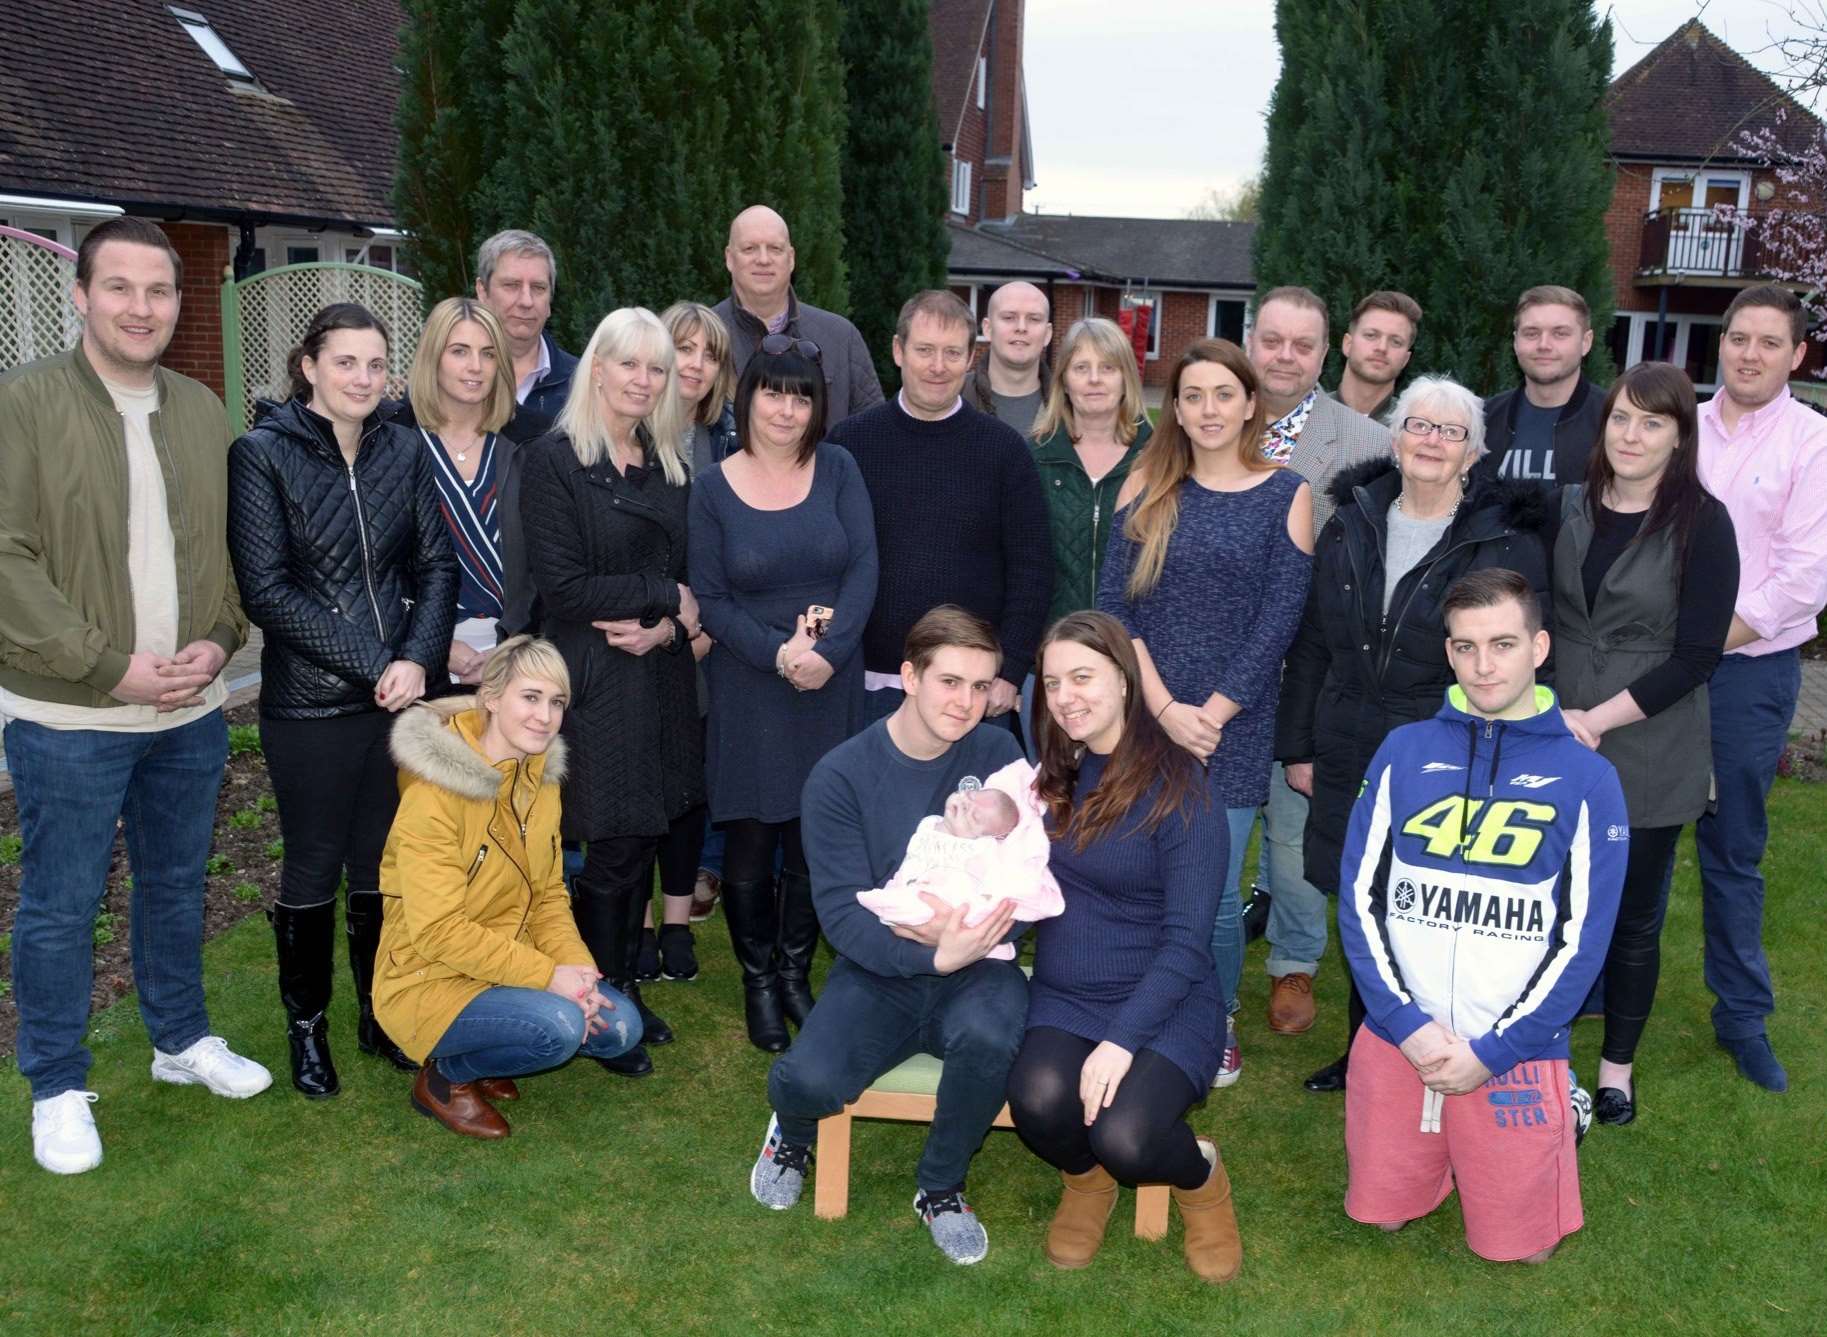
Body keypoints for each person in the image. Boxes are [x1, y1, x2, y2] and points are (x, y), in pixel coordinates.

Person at [1, 216, 269, 1175]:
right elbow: (7, 558)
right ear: (81, 294)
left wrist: (217, 640)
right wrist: (103, 664)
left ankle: (179, 1040)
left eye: (159, 291)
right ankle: (57, 1085)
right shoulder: (23, 404)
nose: (141, 306)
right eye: (120, 287)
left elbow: (233, 557)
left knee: (171, 886)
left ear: (178, 303)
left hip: (190, 711)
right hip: (72, 715)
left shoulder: (202, 409)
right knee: (62, 907)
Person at [1338, 568, 1626, 1264]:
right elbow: (1357, 898)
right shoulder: (1402, 750)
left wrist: (1497, 1047)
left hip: (1516, 1040)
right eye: (1464, 647)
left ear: (1538, 647)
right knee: (1380, 1213)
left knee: (1518, 1248)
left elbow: (1583, 939)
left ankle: (1559, 1106)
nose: (1482, 664)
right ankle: (1423, 1154)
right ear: (1447, 653)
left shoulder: (1588, 777)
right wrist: (1403, 1022)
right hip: (1399, 1030)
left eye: (1501, 643)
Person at [1275, 377, 1552, 1094]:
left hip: (1445, 743)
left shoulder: (1500, 539)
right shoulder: (1350, 519)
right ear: (1394, 438)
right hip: (1347, 737)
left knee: (1428, 904)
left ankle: (1452, 1046)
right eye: (1417, 426)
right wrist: (1297, 744)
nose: (1430, 441)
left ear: (1473, 452)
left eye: (1449, 432)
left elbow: (1510, 657)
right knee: (1362, 904)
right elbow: (1310, 641)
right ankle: (1367, 1051)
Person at [228, 301, 459, 1098]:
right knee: (314, 863)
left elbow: (436, 567)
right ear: (309, 367)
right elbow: (267, 589)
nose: (362, 378)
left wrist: (417, 658)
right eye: (344, 362)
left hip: (393, 699)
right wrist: (379, 663)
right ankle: (306, 1028)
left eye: (373, 363)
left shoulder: (404, 449)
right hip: (310, 706)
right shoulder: (261, 454)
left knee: (379, 863)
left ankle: (379, 1011)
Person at [748, 607, 1028, 1266]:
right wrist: (932, 949)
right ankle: (789, 1130)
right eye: (950, 681)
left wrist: (971, 940)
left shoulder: (998, 753)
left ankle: (940, 1187)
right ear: (908, 675)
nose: (967, 702)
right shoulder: (840, 776)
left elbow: (1027, 871)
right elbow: (843, 916)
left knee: (989, 1037)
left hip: (980, 963)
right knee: (809, 1078)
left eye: (982, 685)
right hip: (880, 968)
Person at [1100, 337, 1315, 1089]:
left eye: (1223, 393)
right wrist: (1160, 707)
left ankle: (1214, 1016)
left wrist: (1212, 714)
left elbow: (1278, 621)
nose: (1208, 409)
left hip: (1234, 723)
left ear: (1250, 403)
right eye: (1192, 395)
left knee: (1214, 892)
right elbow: (1111, 611)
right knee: (1137, 875)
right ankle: (1138, 1006)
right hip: (1144, 715)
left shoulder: (1285, 495)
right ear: (1175, 408)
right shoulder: (1144, 488)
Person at [1008, 612, 1243, 1283]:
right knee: (1038, 1100)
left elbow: (1187, 940)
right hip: (1066, 992)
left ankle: (1200, 1179)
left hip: (1166, 997)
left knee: (1128, 1135)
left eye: (1082, 676)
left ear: (1123, 679)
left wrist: (1120, 1040)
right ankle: (1085, 1181)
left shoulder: (1180, 785)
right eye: (1052, 682)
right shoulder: (1051, 773)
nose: (1065, 696)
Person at [1545, 361, 1737, 1125]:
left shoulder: (1703, 522)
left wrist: (1596, 719)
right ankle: (1537, 1048)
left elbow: (1697, 656)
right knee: (1546, 906)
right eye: (1621, 417)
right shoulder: (1564, 505)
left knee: (1629, 919)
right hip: (1553, 733)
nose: (1631, 434)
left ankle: (1616, 1069)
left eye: (1652, 422)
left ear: (1678, 436)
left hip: (1648, 743)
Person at [516, 306, 703, 1078]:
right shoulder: (554, 459)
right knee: (613, 848)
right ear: (596, 367)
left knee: (646, 836)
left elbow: (693, 579)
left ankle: (621, 984)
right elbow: (563, 585)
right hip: (593, 676)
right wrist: (665, 593)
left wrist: (666, 623)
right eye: (628, 363)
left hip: (658, 670)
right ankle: (597, 1008)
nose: (643, 379)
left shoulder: (666, 460)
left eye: (656, 368)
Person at [688, 337, 879, 1051]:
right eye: (772, 391)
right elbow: (708, 595)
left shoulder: (838, 469)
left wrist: (827, 655)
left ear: (816, 403)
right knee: (749, 836)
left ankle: (796, 972)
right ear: (749, 396)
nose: (786, 408)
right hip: (750, 681)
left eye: (800, 394)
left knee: (813, 836)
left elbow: (863, 569)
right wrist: (777, 652)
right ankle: (757, 980)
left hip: (830, 681)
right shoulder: (712, 487)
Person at [374, 636, 644, 1139]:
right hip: (427, 976)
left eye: (556, 702)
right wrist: (548, 978)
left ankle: (489, 1052)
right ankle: (444, 1079)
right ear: (491, 697)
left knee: (622, 1029)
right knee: (560, 1029)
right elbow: (438, 932)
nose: (545, 716)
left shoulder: (540, 778)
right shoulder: (432, 797)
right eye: (531, 697)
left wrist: (578, 969)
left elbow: (547, 894)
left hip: (505, 964)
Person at [1244, 286, 1389, 1038]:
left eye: (1301, 344)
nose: (1285, 357)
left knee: (1294, 825)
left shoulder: (1364, 443)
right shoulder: (1208, 415)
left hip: (1305, 670)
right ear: (1250, 338)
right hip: (1211, 659)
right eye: (1272, 340)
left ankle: (1293, 960)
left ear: (1324, 349)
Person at [1694, 284, 1827, 1093]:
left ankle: (1740, 1015)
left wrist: (1696, 645)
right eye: (1737, 338)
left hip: (1748, 673)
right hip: (1655, 667)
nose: (1748, 353)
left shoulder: (1811, 442)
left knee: (1731, 846)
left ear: (1796, 355)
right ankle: (1600, 985)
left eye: (1767, 342)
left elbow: (1803, 578)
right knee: (1623, 830)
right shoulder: (1679, 423)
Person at [828, 290, 1051, 731]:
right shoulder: (849, 445)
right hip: (868, 685)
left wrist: (1009, 671)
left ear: (971, 358)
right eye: (924, 350)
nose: (937, 366)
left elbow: (1033, 568)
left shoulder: (1003, 450)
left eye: (952, 353)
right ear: (898, 351)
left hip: (972, 692)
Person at [384, 297, 546, 682]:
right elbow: (375, 568)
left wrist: (517, 649)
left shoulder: (535, 440)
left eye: (488, 354)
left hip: (518, 659)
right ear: (433, 357)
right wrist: (434, 644)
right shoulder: (392, 441)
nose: (476, 367)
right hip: (415, 662)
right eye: (460, 351)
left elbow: (551, 560)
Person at [660, 300, 738, 927]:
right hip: (646, 623)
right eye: (684, 348)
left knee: (698, 761)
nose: (696, 364)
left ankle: (689, 885)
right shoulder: (628, 429)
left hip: (713, 632)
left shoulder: (728, 434)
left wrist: (708, 625)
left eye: (709, 354)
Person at [856, 758, 1063, 957]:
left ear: (989, 836)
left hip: (950, 902)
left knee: (932, 901)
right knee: (904, 892)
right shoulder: (929, 824)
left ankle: (895, 908)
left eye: (974, 816)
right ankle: (893, 905)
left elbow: (994, 884)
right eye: (970, 796)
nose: (964, 805)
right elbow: (913, 859)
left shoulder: (984, 849)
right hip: (914, 884)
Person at [713, 205, 883, 423]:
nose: (763, 259)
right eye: (749, 249)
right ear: (729, 258)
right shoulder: (704, 338)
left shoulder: (842, 337)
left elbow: (873, 428)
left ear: (791, 258)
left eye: (775, 248)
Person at [1477, 285, 1606, 488]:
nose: (1544, 345)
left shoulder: (1612, 422)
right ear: (1515, 342)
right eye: (1531, 333)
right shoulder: (1483, 419)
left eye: (1560, 333)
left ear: (1586, 342)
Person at [473, 229, 576, 420]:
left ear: (550, 301)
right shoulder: (446, 380)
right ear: (482, 292)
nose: (526, 301)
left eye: (538, 288)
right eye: (511, 285)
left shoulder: (581, 386)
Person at [970, 280, 1054, 435]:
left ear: (1047, 334)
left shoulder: (1070, 404)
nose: (1021, 327)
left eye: (1034, 319)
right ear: (987, 329)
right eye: (1009, 317)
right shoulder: (955, 396)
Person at [1334, 291, 1421, 425]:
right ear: (1348, 344)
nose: (1382, 348)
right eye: (1371, 335)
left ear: (1406, 359)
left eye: (1396, 342)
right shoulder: (1305, 416)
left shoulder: (1411, 429)